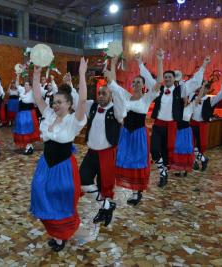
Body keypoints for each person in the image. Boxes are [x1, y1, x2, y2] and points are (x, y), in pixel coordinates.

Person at [30, 57, 88, 252]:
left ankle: (61, 236)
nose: (55, 105)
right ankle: (54, 230)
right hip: (46, 163)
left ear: (69, 104)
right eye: (54, 102)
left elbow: (83, 102)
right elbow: (38, 97)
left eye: (60, 102)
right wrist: (37, 73)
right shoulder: (49, 115)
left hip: (63, 167)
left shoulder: (74, 120)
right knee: (39, 191)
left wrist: (81, 75)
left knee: (60, 199)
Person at [138, 50, 210, 187]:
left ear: (174, 79)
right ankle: (162, 172)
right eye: (165, 77)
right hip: (158, 125)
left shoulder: (181, 90)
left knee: (166, 154)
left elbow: (195, 82)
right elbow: (147, 77)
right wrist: (140, 63)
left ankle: (163, 172)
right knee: (153, 149)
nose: (167, 79)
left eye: (170, 77)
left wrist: (204, 65)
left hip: (172, 126)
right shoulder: (158, 89)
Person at [108, 54, 162, 205]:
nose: (136, 83)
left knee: (138, 161)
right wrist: (113, 64)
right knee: (125, 160)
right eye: (134, 81)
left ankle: (137, 192)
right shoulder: (126, 96)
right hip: (126, 133)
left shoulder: (146, 97)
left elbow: (158, 83)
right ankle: (131, 189)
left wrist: (159, 60)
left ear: (143, 85)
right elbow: (112, 83)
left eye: (139, 82)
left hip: (139, 134)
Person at [79, 56, 122, 226]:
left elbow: (119, 97)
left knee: (105, 186)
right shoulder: (92, 106)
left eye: (105, 93)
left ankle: (104, 209)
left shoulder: (117, 110)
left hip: (107, 153)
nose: (101, 95)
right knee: (83, 180)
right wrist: (79, 77)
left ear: (111, 94)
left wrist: (112, 78)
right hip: (91, 153)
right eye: (100, 93)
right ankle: (106, 205)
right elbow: (79, 101)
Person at [191, 78, 222, 171]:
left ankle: (201, 160)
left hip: (202, 125)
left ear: (208, 90)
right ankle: (197, 161)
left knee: (200, 145)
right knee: (191, 144)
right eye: (201, 87)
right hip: (192, 124)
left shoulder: (210, 100)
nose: (202, 89)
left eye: (205, 88)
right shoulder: (192, 97)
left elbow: (221, 95)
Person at [13, 74, 40, 155]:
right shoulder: (22, 90)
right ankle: (29, 146)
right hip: (21, 114)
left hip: (28, 115)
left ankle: (29, 147)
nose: (25, 86)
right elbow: (17, 85)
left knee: (27, 130)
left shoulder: (32, 93)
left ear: (31, 86)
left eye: (27, 84)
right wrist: (18, 75)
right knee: (22, 130)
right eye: (25, 84)